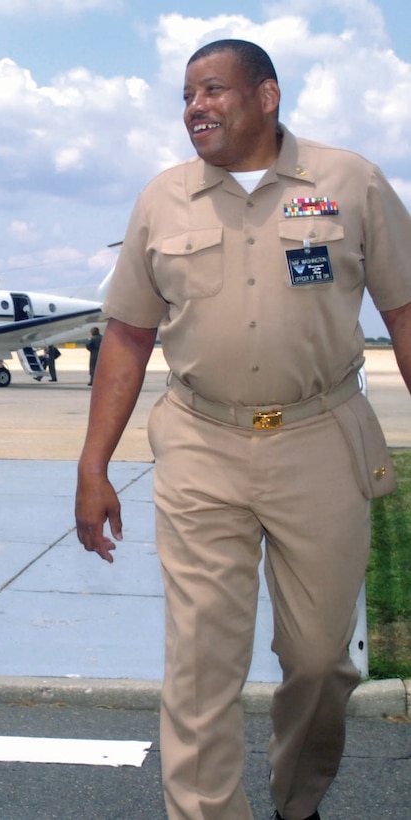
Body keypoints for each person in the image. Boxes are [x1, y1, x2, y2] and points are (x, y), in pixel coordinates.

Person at [75, 39, 411, 820]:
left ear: (267, 96)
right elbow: (125, 335)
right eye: (186, 96)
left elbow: (401, 311)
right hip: (200, 442)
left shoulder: (349, 182)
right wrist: (93, 466)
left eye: (212, 90)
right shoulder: (162, 200)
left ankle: (299, 801)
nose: (194, 107)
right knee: (199, 664)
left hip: (321, 439)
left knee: (323, 662)